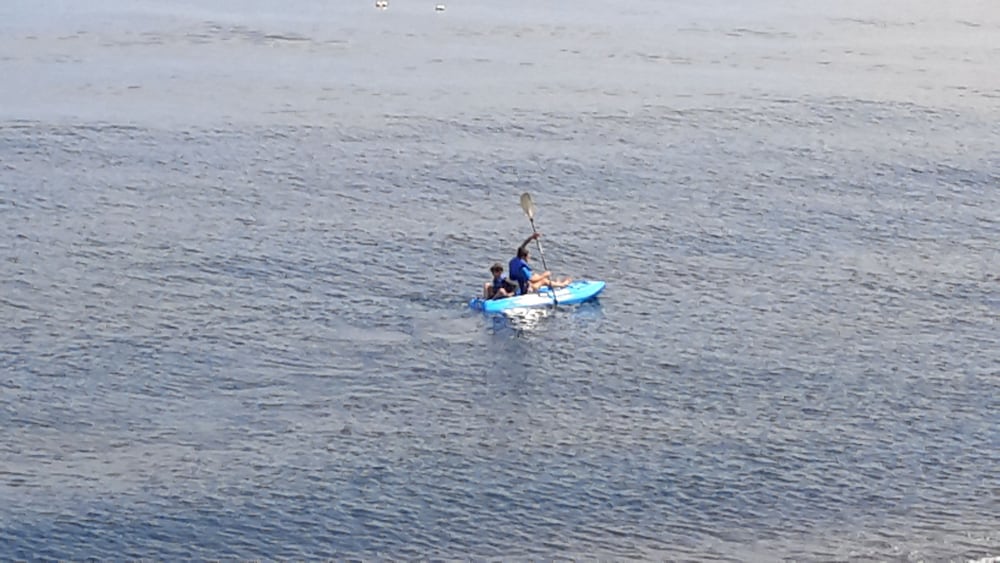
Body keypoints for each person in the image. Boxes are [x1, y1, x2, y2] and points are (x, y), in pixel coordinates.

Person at [508, 232, 572, 294]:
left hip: (519, 284)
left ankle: (555, 284)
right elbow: (532, 280)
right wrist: (544, 275)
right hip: (525, 290)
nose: (529, 257)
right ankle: (563, 284)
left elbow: (522, 247)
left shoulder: (514, 260)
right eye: (528, 256)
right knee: (543, 280)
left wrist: (531, 237)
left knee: (536, 275)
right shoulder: (523, 269)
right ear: (523, 257)